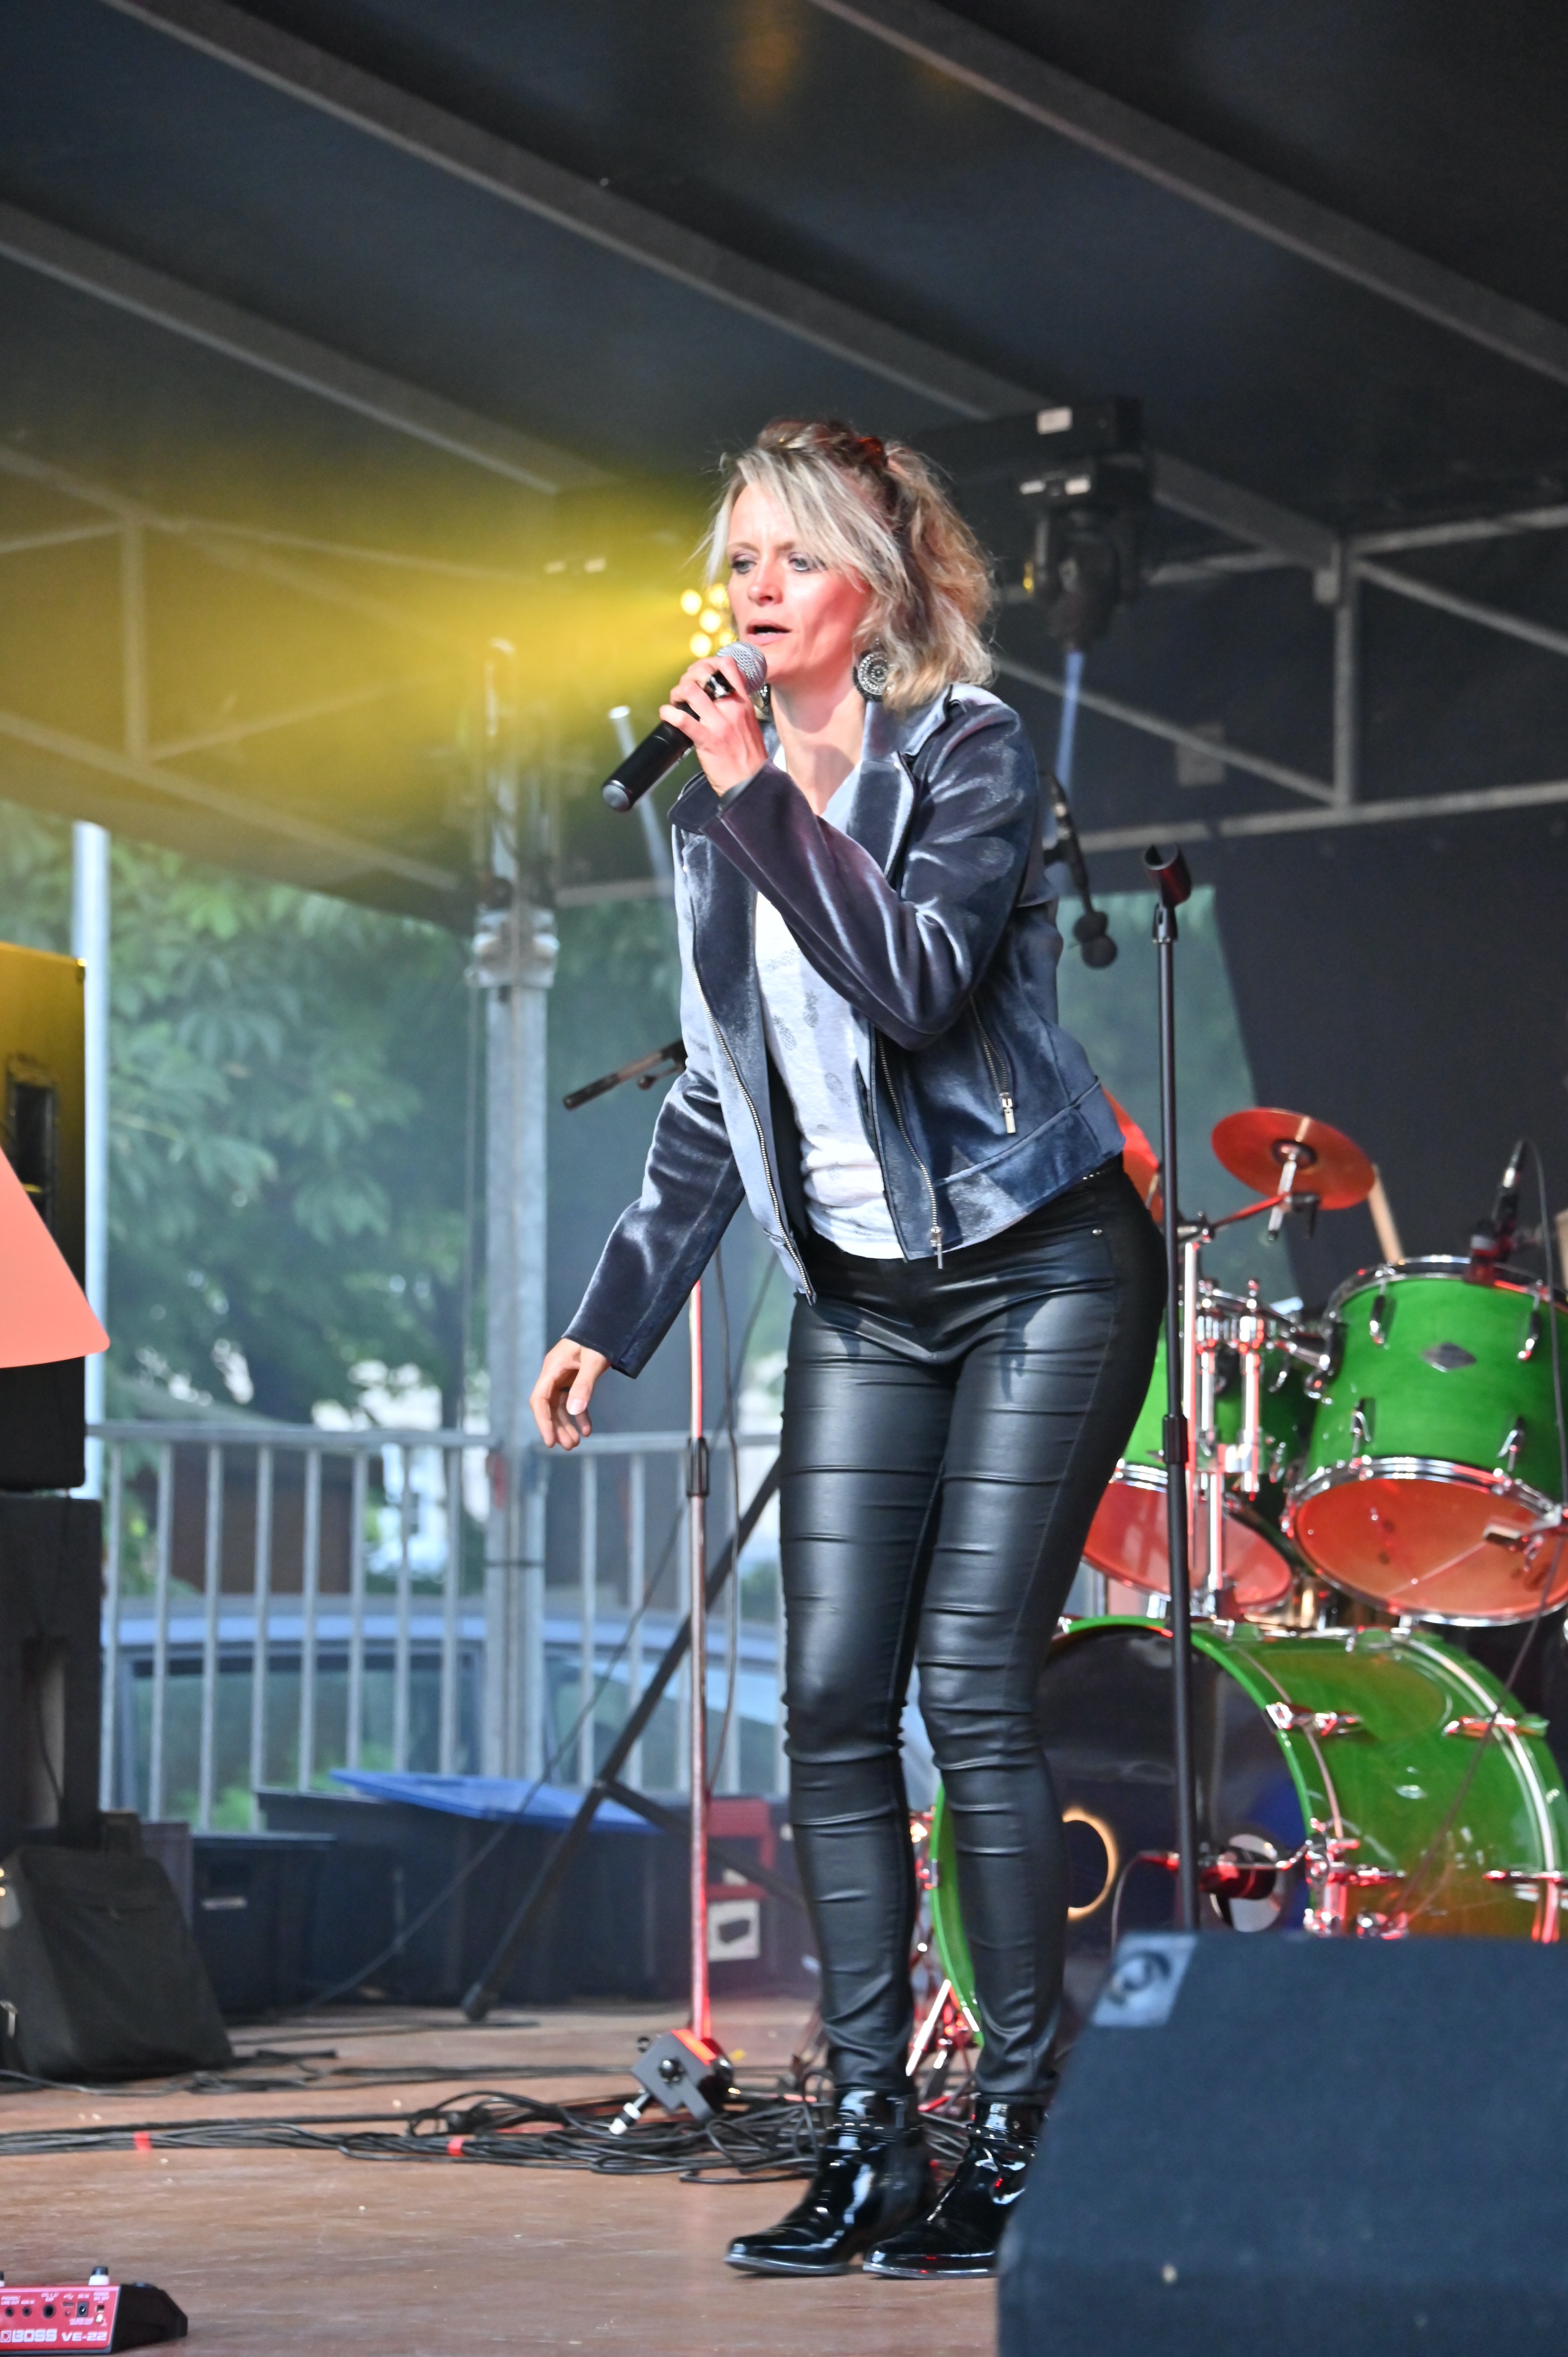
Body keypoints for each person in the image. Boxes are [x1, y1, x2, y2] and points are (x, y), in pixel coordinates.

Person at [530, 418, 1164, 2278]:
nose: (751, 588)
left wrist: (757, 798)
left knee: (967, 1689)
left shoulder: (967, 752)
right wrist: (610, 1317)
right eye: (735, 559)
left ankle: (1017, 2138)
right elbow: (719, 1095)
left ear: (874, 593)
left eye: (789, 558)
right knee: (822, 1705)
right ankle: (872, 2140)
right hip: (866, 1298)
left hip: (1042, 1266)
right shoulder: (710, 826)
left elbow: (912, 987)